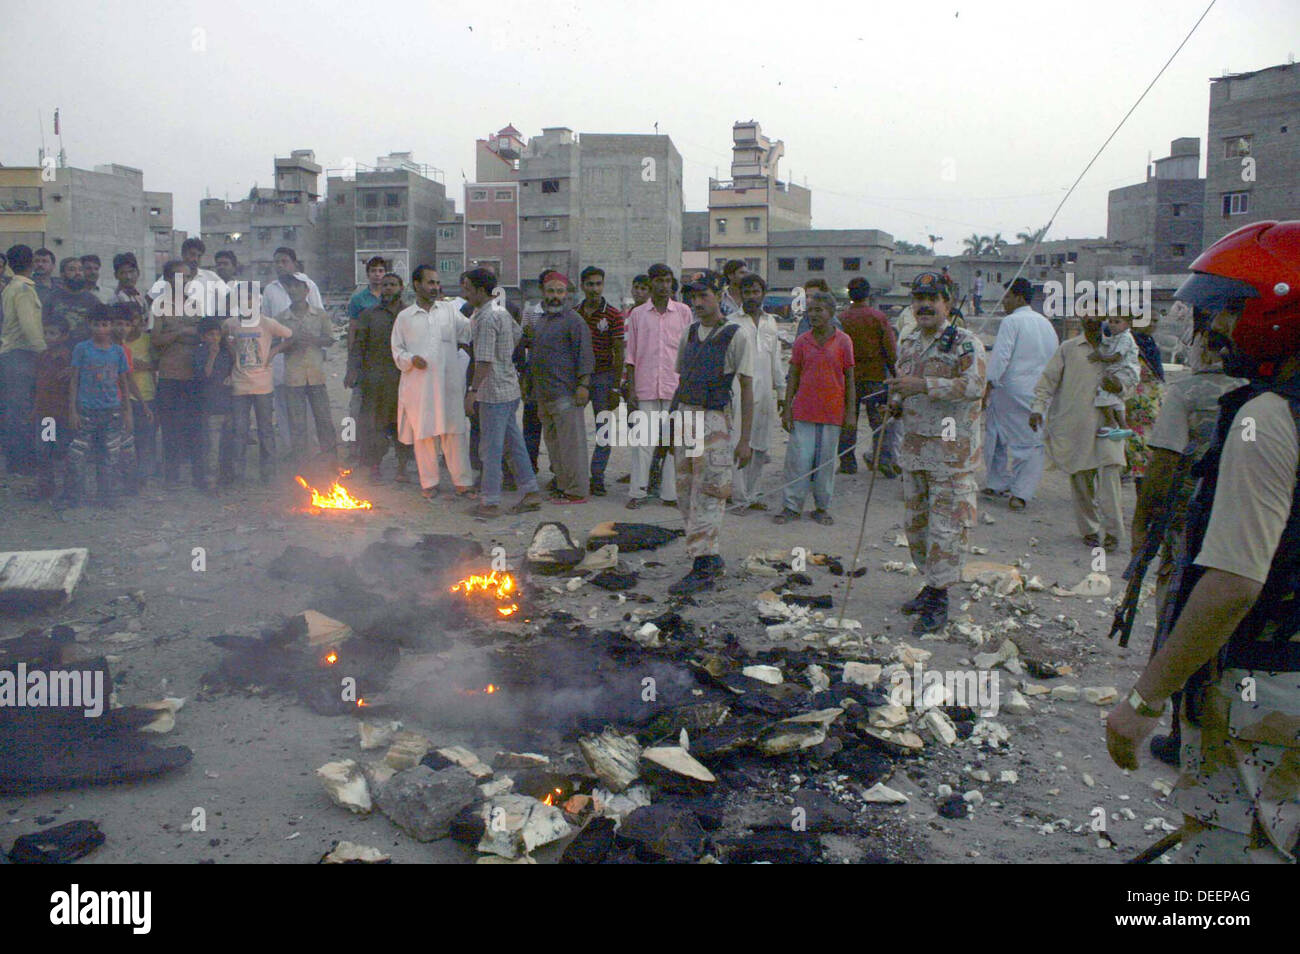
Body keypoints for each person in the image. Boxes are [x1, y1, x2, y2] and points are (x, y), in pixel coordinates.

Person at [1105, 219, 1300, 864]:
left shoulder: (1266, 419)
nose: (1215, 328)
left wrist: (1144, 698)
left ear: (1275, 311)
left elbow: (1233, 581)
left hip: (1260, 688)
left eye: (1228, 310)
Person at [1130, 306, 1246, 767]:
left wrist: (1142, 526)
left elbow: (1161, 467)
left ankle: (1183, 730)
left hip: (1190, 531)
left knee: (1179, 619)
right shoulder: (1265, 394)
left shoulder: (1187, 393)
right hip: (1248, 534)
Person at [889, 272, 987, 635]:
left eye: (933, 298)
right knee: (917, 527)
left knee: (946, 528)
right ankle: (930, 586)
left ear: (947, 302)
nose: (924, 305)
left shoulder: (965, 343)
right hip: (915, 450)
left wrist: (925, 385)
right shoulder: (909, 340)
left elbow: (975, 387)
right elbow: (904, 379)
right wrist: (897, 400)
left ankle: (940, 599)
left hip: (951, 455)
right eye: (918, 298)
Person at [668, 270, 753, 595]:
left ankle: (702, 566)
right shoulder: (689, 333)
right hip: (686, 418)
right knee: (686, 490)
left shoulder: (736, 334)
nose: (698, 302)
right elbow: (682, 380)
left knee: (710, 491)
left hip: (715, 420)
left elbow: (747, 388)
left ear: (720, 295)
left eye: (704, 295)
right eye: (693, 296)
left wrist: (744, 440)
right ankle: (707, 554)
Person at [1030, 314, 1129, 550]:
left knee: (1110, 480)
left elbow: (1130, 379)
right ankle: (1090, 530)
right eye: (1087, 314)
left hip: (1109, 425)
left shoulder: (1119, 345)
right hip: (1077, 425)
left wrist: (1121, 387)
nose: (1093, 319)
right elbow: (1047, 381)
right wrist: (1037, 408)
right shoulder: (1069, 348)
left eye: (1098, 313)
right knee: (1082, 481)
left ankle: (1114, 533)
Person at [463, 267, 544, 518]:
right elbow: (518, 334)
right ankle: (530, 491)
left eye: (467, 288)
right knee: (514, 443)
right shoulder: (501, 311)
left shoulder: (487, 318)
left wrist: (472, 391)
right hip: (509, 387)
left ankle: (490, 501)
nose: (464, 293)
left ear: (479, 290)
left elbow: (483, 361)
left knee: (491, 448)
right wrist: (504, 355)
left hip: (493, 392)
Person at [392, 266, 473, 499]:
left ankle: (463, 483)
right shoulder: (404, 317)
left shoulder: (448, 310)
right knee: (424, 435)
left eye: (437, 283)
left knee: (455, 432)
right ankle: (429, 483)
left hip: (448, 384)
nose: (435, 287)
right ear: (417, 284)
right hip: (420, 387)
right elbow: (397, 351)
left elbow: (467, 331)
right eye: (430, 283)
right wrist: (410, 359)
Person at [776, 290, 855, 525]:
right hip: (803, 410)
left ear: (831, 312)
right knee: (798, 461)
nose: (814, 315)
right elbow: (794, 375)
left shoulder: (843, 341)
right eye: (810, 310)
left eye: (819, 310)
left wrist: (850, 412)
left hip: (832, 412)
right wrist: (787, 408)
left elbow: (849, 378)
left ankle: (822, 507)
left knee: (825, 464)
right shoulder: (802, 341)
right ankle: (791, 506)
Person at [983, 277, 1058, 510]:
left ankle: (1015, 490)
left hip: (1009, 389)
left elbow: (1000, 357)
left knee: (1000, 437)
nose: (1003, 302)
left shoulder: (1011, 321)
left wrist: (988, 385)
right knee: (1027, 440)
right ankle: (1006, 486)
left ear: (1019, 297)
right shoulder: (1046, 324)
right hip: (1037, 392)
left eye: (1006, 297)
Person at [623, 263, 693, 509]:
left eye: (668, 280)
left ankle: (670, 494)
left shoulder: (684, 312)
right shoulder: (638, 315)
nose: (664, 286)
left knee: (675, 442)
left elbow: (689, 353)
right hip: (645, 386)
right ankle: (638, 492)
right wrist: (630, 390)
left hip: (675, 387)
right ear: (650, 282)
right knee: (644, 441)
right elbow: (630, 356)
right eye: (659, 281)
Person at [529, 271, 594, 503]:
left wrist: (583, 385)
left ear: (566, 294)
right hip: (545, 395)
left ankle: (577, 491)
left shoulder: (574, 321)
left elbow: (585, 355)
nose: (555, 296)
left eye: (559, 291)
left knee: (571, 447)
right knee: (555, 447)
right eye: (551, 291)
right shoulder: (543, 320)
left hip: (566, 394)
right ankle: (564, 487)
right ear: (543, 293)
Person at [223, 283, 292, 485]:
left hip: (263, 385)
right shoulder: (232, 324)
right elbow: (221, 337)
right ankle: (238, 474)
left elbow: (290, 336)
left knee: (266, 430)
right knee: (240, 430)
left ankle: (268, 473)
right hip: (239, 385)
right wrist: (231, 350)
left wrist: (273, 352)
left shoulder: (267, 323)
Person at [67, 305, 134, 506]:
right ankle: (73, 496)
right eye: (96, 325)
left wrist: (127, 411)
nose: (100, 329)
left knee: (110, 455)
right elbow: (74, 380)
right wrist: (72, 411)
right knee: (77, 455)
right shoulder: (82, 349)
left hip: (112, 410)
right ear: (90, 325)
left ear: (111, 326)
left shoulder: (118, 351)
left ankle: (107, 496)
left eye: (104, 325)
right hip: (86, 409)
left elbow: (124, 381)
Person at [351, 273, 412, 482]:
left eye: (392, 285)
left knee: (402, 426)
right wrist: (353, 371)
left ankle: (402, 468)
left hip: (403, 380)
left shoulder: (410, 314)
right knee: (374, 427)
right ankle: (374, 467)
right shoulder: (369, 315)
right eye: (385, 285)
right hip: (375, 380)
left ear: (401, 288)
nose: (387, 288)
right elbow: (358, 345)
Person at [730, 273, 784, 509]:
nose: (752, 297)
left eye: (756, 291)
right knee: (740, 443)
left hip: (765, 393)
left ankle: (753, 493)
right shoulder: (731, 322)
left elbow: (776, 361)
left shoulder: (771, 322)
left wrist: (781, 392)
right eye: (747, 292)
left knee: (760, 445)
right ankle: (739, 497)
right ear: (740, 295)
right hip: (738, 392)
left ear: (763, 293)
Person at [152, 259, 207, 488]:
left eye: (186, 276)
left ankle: (198, 476)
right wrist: (181, 334)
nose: (182, 280)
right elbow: (156, 341)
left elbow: (203, 335)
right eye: (177, 276)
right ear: (166, 279)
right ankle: (172, 476)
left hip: (194, 375)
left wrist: (178, 331)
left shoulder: (195, 304)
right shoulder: (160, 306)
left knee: (195, 427)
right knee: (170, 429)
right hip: (169, 376)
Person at [836, 277, 897, 477]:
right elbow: (890, 350)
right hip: (875, 377)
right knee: (880, 422)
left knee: (847, 422)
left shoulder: (842, 318)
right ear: (868, 294)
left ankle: (847, 462)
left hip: (849, 378)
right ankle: (883, 459)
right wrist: (895, 374)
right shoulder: (878, 317)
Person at [275, 273, 337, 465]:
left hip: (316, 375)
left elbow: (331, 339)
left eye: (298, 287)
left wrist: (314, 340)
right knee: (297, 423)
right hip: (293, 377)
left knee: (324, 420)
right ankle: (301, 462)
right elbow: (275, 345)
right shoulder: (281, 318)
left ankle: (331, 460)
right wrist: (291, 343)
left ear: (307, 290)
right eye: (290, 287)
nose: (293, 291)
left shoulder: (320, 315)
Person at [576, 266, 624, 496]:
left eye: (598, 284)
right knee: (571, 428)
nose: (594, 289)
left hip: (604, 377)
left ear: (603, 285)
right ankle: (571, 475)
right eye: (590, 284)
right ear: (582, 286)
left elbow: (619, 352)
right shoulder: (574, 313)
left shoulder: (613, 315)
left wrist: (616, 386)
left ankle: (597, 477)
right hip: (577, 379)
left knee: (603, 429)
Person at [1, 244, 47, 474]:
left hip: (12, 356)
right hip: (23, 355)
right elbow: (29, 326)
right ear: (31, 262)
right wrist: (43, 352)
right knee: (24, 410)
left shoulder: (11, 287)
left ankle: (16, 459)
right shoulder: (24, 289)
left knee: (14, 409)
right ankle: (23, 461)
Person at [32, 315, 75, 502]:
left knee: (64, 450)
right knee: (44, 450)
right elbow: (38, 384)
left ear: (64, 336)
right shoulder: (43, 357)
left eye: (53, 333)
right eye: (46, 333)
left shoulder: (70, 360)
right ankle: (46, 489)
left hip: (63, 413)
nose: (49, 337)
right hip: (46, 414)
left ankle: (68, 490)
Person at [194, 316, 236, 489]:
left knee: (227, 445)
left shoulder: (226, 352)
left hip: (227, 405)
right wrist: (211, 356)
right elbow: (205, 376)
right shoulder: (200, 353)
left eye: (217, 334)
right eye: (211, 335)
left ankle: (226, 478)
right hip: (210, 406)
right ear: (203, 337)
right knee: (212, 447)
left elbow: (235, 366)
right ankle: (210, 481)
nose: (215, 338)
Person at [1094, 311, 1139, 439]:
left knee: (1102, 388)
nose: (1112, 325)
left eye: (1117, 322)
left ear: (1127, 324)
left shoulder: (1125, 338)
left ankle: (1111, 422)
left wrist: (1100, 357)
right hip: (1122, 372)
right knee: (1116, 397)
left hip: (1125, 371)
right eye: (1110, 321)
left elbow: (1116, 356)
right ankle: (1123, 425)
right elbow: (1107, 342)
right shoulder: (1117, 337)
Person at [47, 257, 101, 342]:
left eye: (80, 270)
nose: (78, 273)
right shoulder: (52, 298)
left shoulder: (93, 301)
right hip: (57, 348)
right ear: (62, 274)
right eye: (72, 270)